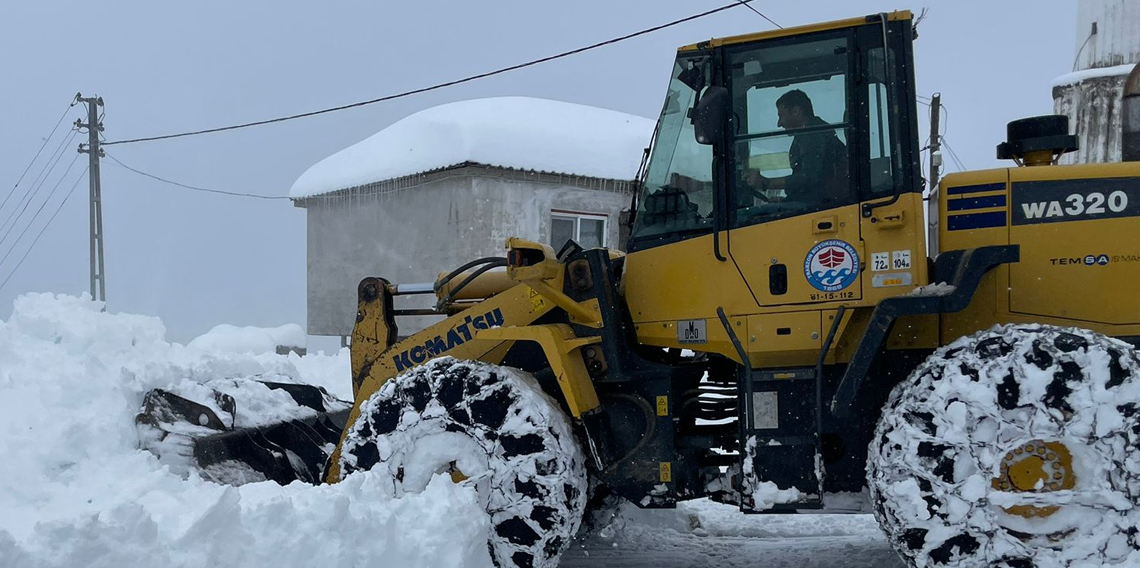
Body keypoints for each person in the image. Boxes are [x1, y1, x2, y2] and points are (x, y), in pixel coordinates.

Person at [745, 89, 848, 208]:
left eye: (781, 116)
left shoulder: (812, 134)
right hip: (816, 201)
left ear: (795, 111)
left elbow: (809, 178)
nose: (779, 123)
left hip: (818, 205)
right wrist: (787, 200)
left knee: (747, 214)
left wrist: (766, 182)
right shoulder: (811, 130)